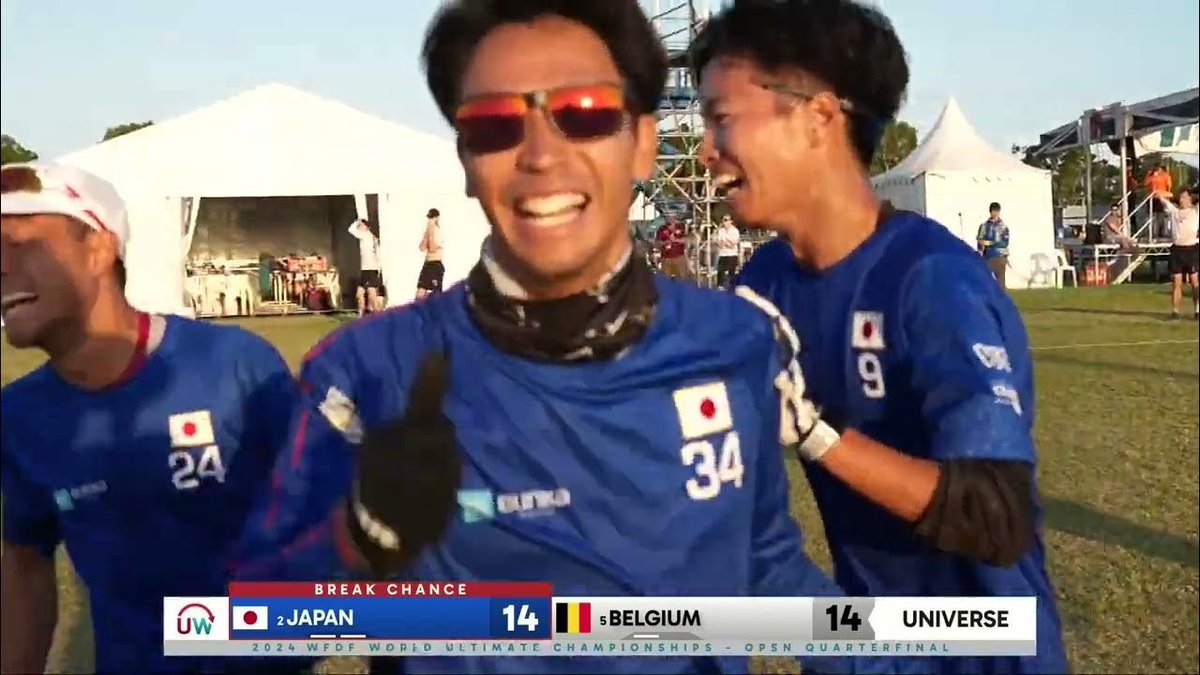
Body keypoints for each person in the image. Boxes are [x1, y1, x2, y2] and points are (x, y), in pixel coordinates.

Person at [234, 3, 895, 674]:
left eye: (584, 113)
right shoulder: (367, 371)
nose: (541, 156)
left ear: (643, 142)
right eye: (494, 125)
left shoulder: (735, 338)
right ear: (465, 160)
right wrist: (352, 539)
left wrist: (895, 661)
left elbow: (768, 565)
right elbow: (240, 632)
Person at [693, 1, 1067, 673]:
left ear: (818, 117)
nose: (705, 151)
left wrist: (815, 432)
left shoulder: (931, 279)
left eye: (722, 119)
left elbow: (995, 518)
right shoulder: (762, 283)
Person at [0, 163, 299, 674]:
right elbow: (26, 561)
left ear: (99, 249)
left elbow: (334, 521)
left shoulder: (235, 367)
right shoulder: (20, 416)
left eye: (20, 244)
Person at [1156, 188, 1199, 319]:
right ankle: (1175, 311)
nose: (1182, 200)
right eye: (1181, 197)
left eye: (1185, 197)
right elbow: (1158, 194)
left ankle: (1197, 310)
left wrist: (1193, 193)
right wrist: (1172, 194)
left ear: (1190, 198)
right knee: (1177, 282)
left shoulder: (1195, 211)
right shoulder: (1174, 211)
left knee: (1194, 281)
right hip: (1177, 249)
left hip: (1191, 249)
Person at [348, 217, 384, 315]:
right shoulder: (371, 237)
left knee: (372, 296)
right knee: (359, 294)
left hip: (370, 269)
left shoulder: (366, 235)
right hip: (366, 269)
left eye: (361, 226)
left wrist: (358, 220)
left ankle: (379, 316)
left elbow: (351, 229)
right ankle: (360, 317)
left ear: (366, 227)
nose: (359, 227)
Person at [976, 202, 1010, 287]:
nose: (995, 213)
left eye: (996, 211)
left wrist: (992, 243)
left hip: (1000, 257)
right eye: (993, 211)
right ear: (990, 212)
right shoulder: (984, 226)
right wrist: (982, 245)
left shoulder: (1003, 226)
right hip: (988, 258)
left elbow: (1005, 243)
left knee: (1001, 285)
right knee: (986, 284)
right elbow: (980, 241)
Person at [416, 207, 445, 299]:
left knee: (431, 294)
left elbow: (427, 247)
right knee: (422, 294)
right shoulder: (431, 227)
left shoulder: (433, 228)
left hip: (433, 264)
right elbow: (424, 247)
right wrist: (428, 235)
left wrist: (429, 235)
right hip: (431, 264)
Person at [655, 212, 690, 279]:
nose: (669, 218)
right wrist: (664, 242)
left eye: (670, 216)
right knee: (665, 278)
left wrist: (676, 240)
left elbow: (688, 239)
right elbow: (657, 242)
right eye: (667, 216)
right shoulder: (661, 229)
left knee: (682, 277)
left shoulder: (682, 227)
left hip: (679, 256)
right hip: (666, 257)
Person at [715, 213, 742, 288]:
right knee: (720, 270)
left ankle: (732, 286)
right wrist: (726, 243)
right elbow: (720, 242)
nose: (725, 222)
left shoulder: (735, 231)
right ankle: (720, 286)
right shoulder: (721, 231)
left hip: (732, 254)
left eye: (727, 220)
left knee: (731, 272)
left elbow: (733, 244)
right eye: (724, 220)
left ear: (731, 221)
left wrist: (727, 243)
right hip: (723, 253)